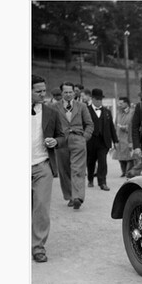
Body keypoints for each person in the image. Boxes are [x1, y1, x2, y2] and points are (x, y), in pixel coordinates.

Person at [31, 75, 66, 262]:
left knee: (42, 209)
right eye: (38, 91)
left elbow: (62, 136)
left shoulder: (51, 112)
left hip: (43, 165)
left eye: (44, 90)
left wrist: (55, 141)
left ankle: (38, 247)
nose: (43, 94)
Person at [54, 80, 93, 210]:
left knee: (78, 169)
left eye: (71, 92)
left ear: (74, 92)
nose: (69, 94)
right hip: (61, 141)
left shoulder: (81, 106)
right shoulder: (54, 107)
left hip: (78, 140)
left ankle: (78, 197)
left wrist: (84, 138)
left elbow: (89, 124)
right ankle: (69, 196)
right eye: (66, 92)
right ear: (61, 93)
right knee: (64, 170)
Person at [86, 88, 119, 191]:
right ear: (92, 99)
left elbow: (111, 127)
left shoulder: (107, 112)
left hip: (103, 141)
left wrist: (115, 141)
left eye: (100, 99)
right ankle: (90, 179)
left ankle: (102, 182)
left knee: (102, 162)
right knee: (90, 161)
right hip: (90, 141)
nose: (99, 101)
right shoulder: (86, 110)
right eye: (96, 99)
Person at [114, 96, 135, 177]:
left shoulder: (132, 112)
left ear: (126, 103)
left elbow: (133, 125)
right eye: (119, 103)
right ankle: (123, 171)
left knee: (129, 157)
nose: (119, 105)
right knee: (120, 156)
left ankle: (129, 172)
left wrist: (125, 128)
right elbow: (115, 124)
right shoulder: (118, 113)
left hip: (127, 137)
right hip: (119, 137)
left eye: (121, 103)